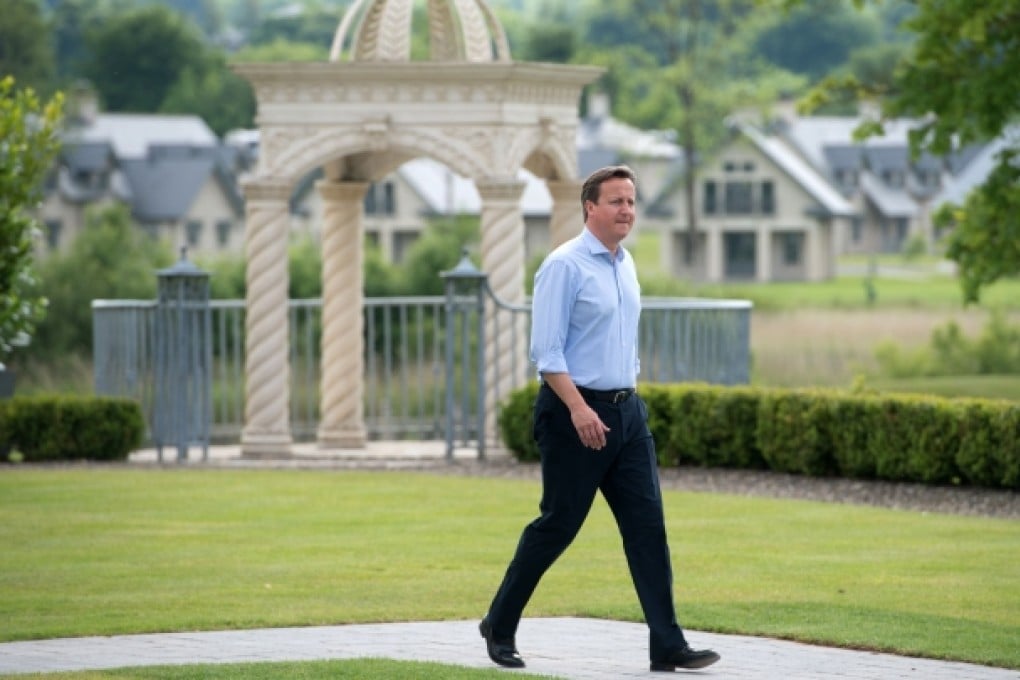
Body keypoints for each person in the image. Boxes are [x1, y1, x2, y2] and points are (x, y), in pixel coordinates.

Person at [479, 165, 720, 673]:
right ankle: (499, 625)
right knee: (559, 525)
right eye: (616, 202)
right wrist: (580, 408)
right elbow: (546, 353)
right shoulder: (564, 266)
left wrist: (627, 400)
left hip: (627, 416)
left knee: (647, 528)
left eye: (631, 202)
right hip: (574, 415)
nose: (626, 211)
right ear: (590, 207)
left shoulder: (624, 263)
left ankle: (667, 644)